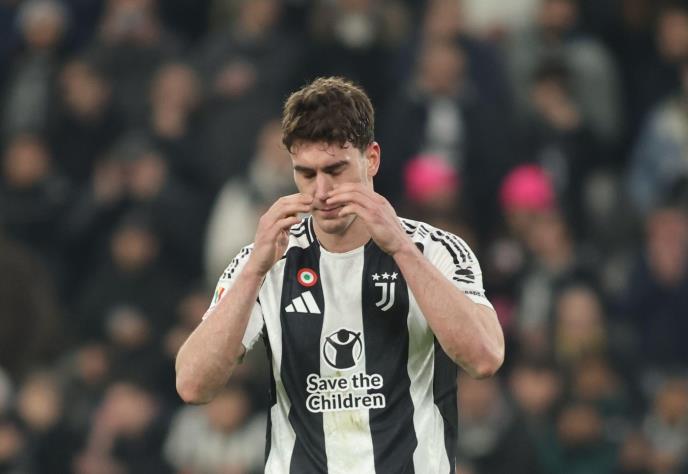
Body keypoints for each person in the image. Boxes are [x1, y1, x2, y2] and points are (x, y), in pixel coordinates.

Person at [175, 76, 504, 473]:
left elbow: (485, 358)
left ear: (372, 159)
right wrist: (253, 273)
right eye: (306, 174)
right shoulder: (266, 258)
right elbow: (193, 384)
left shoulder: (435, 250)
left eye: (335, 169)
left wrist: (402, 250)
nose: (322, 192)